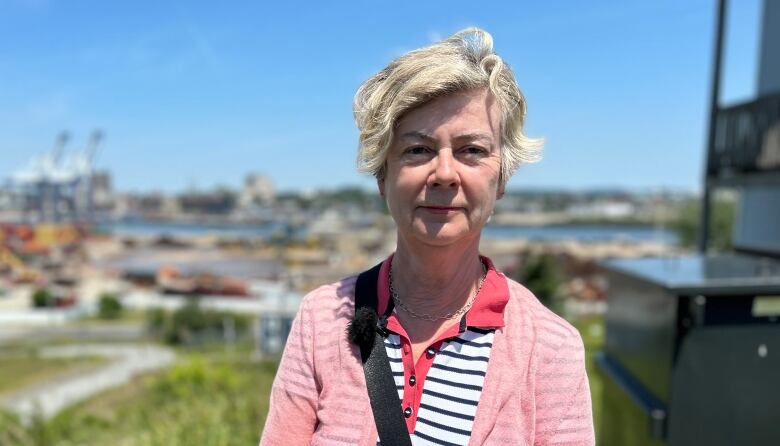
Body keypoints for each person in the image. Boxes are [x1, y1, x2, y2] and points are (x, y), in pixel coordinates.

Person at [260, 28, 594, 446]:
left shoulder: (550, 350)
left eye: (472, 150)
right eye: (417, 150)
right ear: (383, 175)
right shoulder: (321, 320)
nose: (445, 174)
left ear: (502, 178)